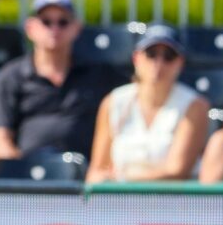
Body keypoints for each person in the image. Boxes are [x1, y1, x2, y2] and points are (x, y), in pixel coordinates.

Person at [0, 0, 117, 160]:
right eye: (46, 21)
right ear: (30, 28)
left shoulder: (99, 75)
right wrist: (24, 171)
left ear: (77, 28)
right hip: (28, 178)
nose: (54, 29)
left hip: (85, 177)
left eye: (63, 22)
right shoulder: (9, 77)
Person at [85, 25, 210, 183]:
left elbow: (177, 171)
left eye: (168, 56)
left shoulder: (195, 105)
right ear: (136, 58)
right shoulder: (113, 102)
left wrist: (122, 177)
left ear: (180, 62)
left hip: (172, 202)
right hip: (119, 203)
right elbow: (96, 172)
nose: (158, 63)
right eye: (151, 54)